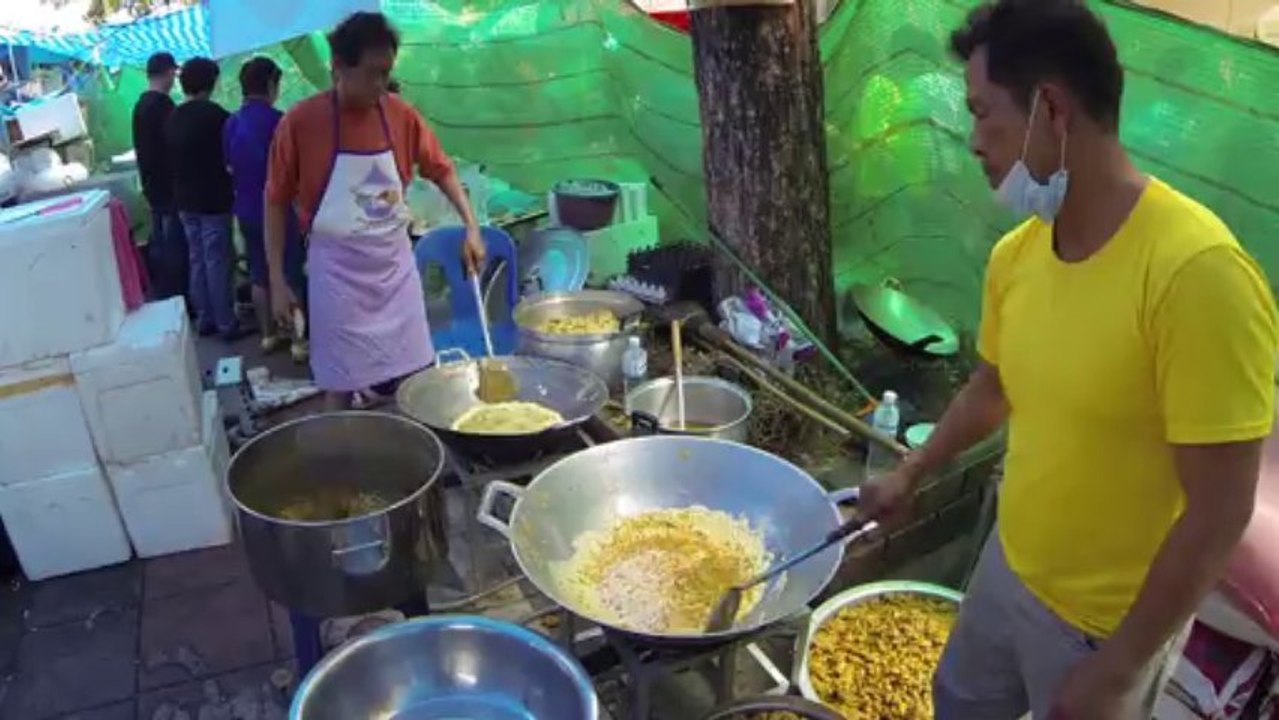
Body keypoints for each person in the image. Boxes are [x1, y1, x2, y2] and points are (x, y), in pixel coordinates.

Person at [858, 2, 1278, 719]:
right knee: (956, 700)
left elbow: (1220, 510)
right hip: (1007, 566)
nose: (971, 140)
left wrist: (1118, 669)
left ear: (1049, 109)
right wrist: (912, 471)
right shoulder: (1017, 255)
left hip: (1105, 626)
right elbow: (994, 386)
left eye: (982, 113)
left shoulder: (1197, 275)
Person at [265, 11, 485, 410]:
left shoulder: (400, 115)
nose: (381, 85)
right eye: (372, 74)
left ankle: (417, 441)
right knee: (339, 383)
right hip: (337, 276)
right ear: (339, 67)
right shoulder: (300, 123)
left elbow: (442, 170)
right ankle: (339, 445)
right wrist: (277, 280)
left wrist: (472, 227)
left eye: (387, 73)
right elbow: (275, 201)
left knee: (417, 374)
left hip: (394, 271)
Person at [224, 56, 306, 356]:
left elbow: (229, 166)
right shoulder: (280, 121)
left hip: (245, 208)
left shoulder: (231, 123)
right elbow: (296, 170)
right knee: (290, 271)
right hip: (279, 210)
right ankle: (297, 339)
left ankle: (269, 334)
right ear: (271, 84)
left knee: (258, 273)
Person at [167, 57, 247, 341]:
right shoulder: (217, 116)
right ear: (210, 83)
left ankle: (205, 318)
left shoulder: (173, 117)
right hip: (213, 199)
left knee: (197, 258)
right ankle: (226, 322)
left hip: (184, 198)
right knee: (217, 261)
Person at [132, 52, 188, 304]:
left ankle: (166, 296)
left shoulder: (141, 105)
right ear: (168, 73)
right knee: (176, 249)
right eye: (173, 73)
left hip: (151, 186)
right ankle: (180, 298)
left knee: (161, 246)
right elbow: (174, 147)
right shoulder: (163, 106)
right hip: (170, 188)